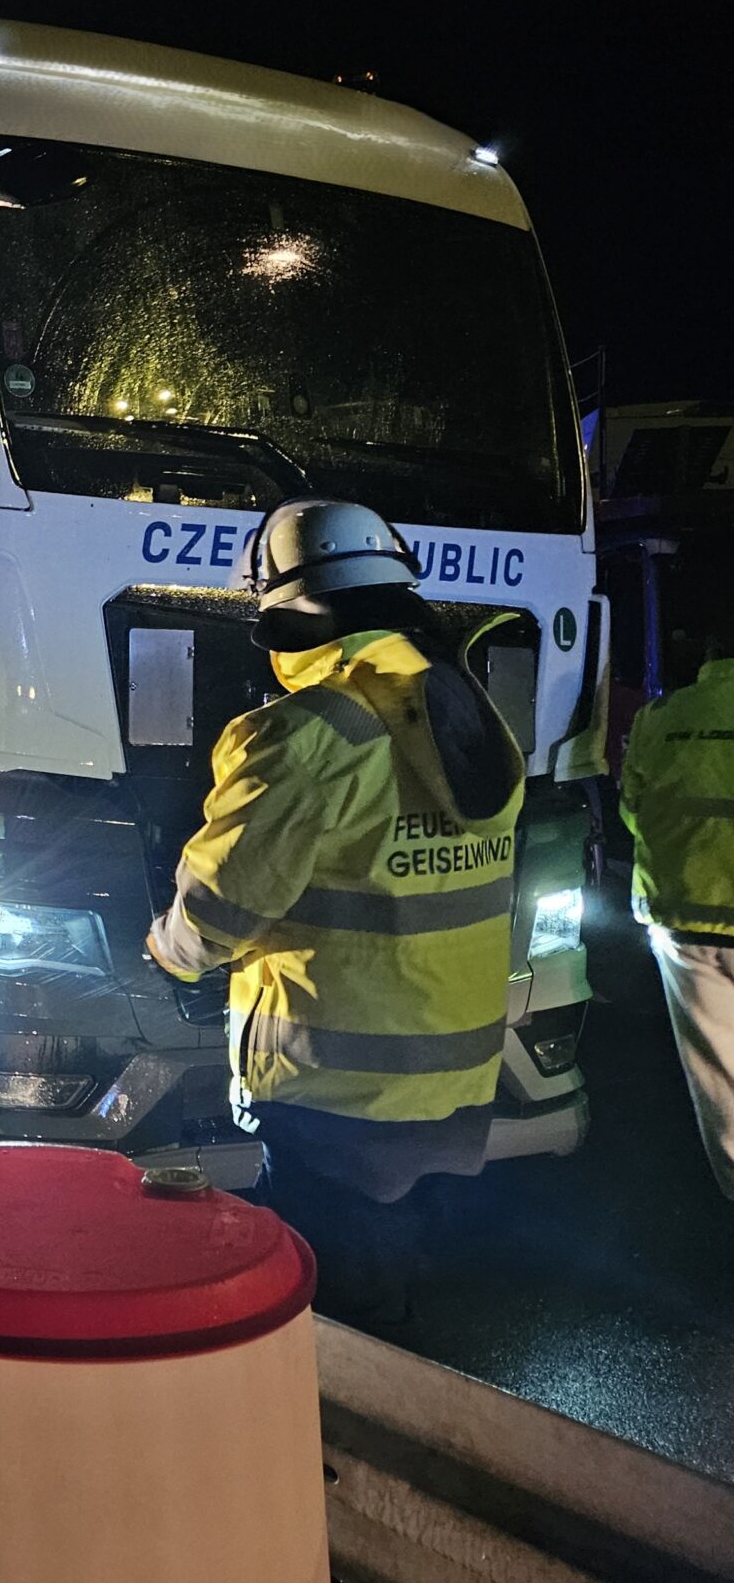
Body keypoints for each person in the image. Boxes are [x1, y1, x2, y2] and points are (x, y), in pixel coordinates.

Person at [147, 497, 525, 1317]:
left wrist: (168, 950)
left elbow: (219, 908)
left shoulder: (305, 734)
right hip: (455, 1092)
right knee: (409, 1310)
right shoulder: (465, 714)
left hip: (335, 1105)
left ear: (287, 615)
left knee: (328, 1328)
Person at [619, 641, 734, 1199]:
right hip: (687, 924)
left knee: (723, 1091)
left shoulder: (661, 717)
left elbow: (633, 810)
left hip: (687, 928)